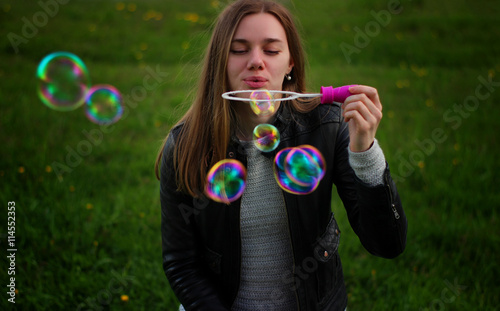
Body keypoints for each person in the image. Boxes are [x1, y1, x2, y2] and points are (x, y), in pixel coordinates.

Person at [155, 0, 407, 310]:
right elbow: (181, 264)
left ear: (291, 64)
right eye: (239, 49)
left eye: (271, 50)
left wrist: (365, 152)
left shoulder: (326, 127)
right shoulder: (185, 145)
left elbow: (386, 244)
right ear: (220, 61)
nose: (256, 61)